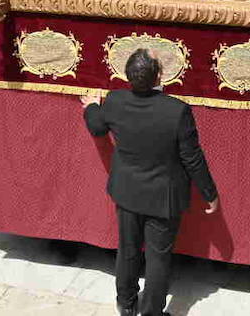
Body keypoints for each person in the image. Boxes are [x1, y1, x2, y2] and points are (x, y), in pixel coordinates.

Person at [81, 49, 218, 316]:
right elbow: (192, 158)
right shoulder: (177, 111)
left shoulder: (115, 101)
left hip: (128, 192)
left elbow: (97, 126)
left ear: (129, 76)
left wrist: (92, 107)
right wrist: (209, 193)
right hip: (162, 198)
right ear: (159, 75)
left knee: (128, 249)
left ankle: (127, 304)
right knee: (158, 257)